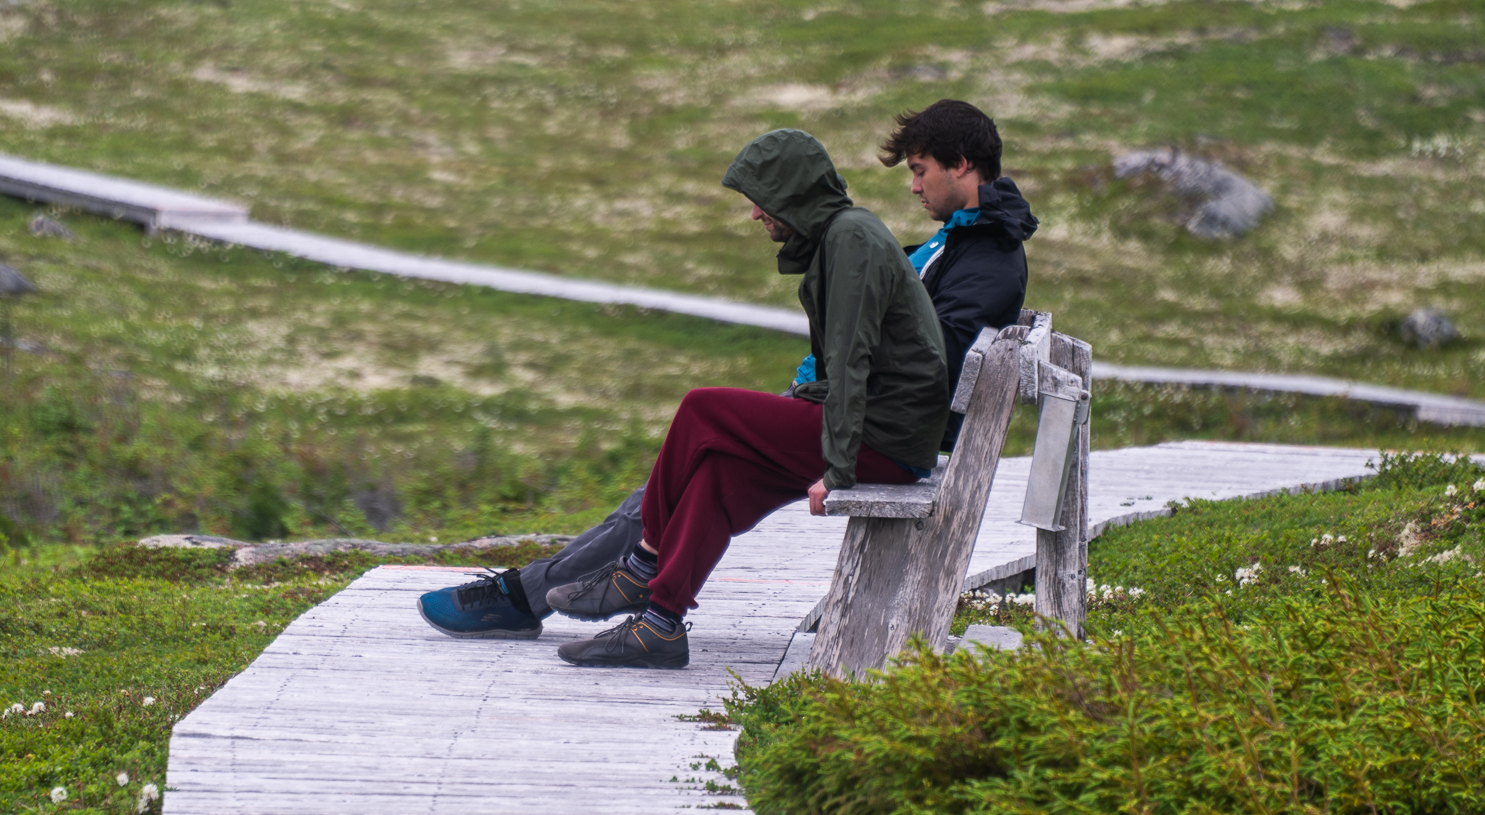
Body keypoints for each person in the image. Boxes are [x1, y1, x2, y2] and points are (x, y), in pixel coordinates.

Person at [415, 101, 1039, 654]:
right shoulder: (944, 242)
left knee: (701, 416)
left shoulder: (975, 256)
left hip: (878, 436)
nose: (912, 186)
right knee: (711, 474)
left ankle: (610, 576)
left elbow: (906, 363)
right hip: (862, 421)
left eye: (919, 169)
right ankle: (659, 622)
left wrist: (838, 459)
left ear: (961, 165)